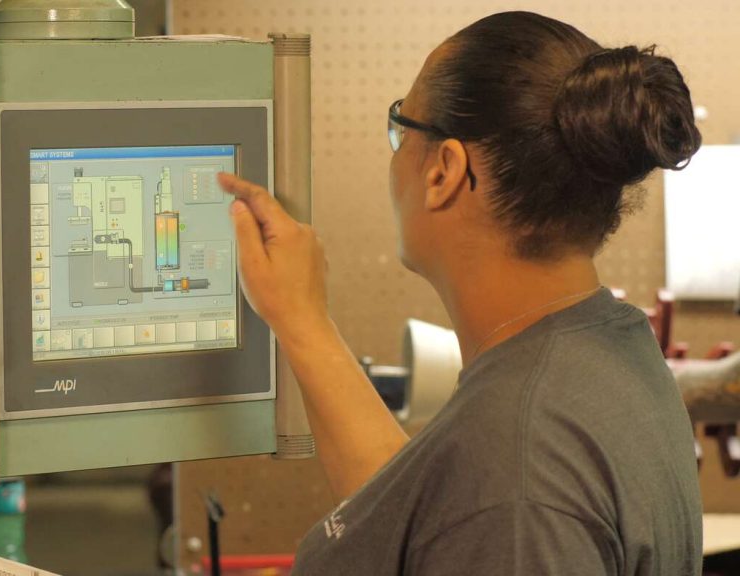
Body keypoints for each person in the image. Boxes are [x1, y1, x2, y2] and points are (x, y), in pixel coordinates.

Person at [218, 11, 703, 575]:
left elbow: (493, 503)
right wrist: (301, 318)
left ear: (444, 171)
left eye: (401, 128)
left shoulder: (518, 470)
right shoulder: (607, 348)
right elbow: (423, 509)